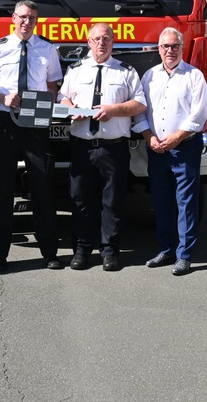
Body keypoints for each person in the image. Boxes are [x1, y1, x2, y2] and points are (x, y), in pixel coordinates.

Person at [0, 0, 64, 272]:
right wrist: (3, 97)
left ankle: (49, 253)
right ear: (13, 18)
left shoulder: (48, 49)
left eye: (33, 18)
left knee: (43, 189)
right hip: (6, 123)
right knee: (2, 191)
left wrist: (43, 102)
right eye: (23, 17)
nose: (27, 22)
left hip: (36, 124)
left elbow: (52, 87)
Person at [58, 22, 146, 272]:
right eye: (96, 39)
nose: (101, 43)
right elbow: (62, 97)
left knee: (112, 200)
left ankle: (110, 251)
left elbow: (140, 103)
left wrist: (114, 110)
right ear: (88, 42)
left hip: (114, 147)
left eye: (106, 39)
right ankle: (82, 250)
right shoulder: (76, 70)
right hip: (82, 146)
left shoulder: (125, 71)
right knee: (81, 200)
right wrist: (69, 108)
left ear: (113, 42)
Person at [136, 27, 207, 277]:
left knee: (186, 202)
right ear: (159, 48)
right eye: (165, 46)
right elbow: (140, 111)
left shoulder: (194, 76)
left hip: (185, 147)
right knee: (161, 201)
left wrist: (177, 137)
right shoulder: (149, 77)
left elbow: (199, 113)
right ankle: (166, 250)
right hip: (157, 148)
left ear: (181, 48)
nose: (170, 50)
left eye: (174, 46)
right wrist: (149, 136)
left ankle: (184, 255)